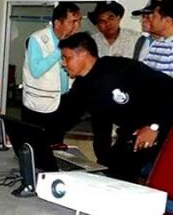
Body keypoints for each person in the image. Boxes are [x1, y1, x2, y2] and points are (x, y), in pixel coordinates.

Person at [57, 32, 173, 183]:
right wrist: (102, 162)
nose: (63, 63)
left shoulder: (122, 68)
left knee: (160, 178)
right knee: (113, 173)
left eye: (67, 57)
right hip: (132, 134)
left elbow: (169, 89)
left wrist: (154, 127)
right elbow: (78, 119)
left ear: (83, 55)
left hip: (162, 127)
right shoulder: (82, 87)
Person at [21, 2, 81, 142]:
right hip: (38, 104)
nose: (77, 26)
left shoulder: (74, 41)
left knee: (56, 144)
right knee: (35, 145)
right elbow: (36, 71)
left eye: (78, 21)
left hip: (62, 100)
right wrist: (60, 48)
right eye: (72, 22)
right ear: (58, 23)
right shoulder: (37, 39)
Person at [143, 0, 173, 77]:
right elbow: (144, 73)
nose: (150, 20)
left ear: (167, 20)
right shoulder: (157, 43)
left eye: (154, 16)